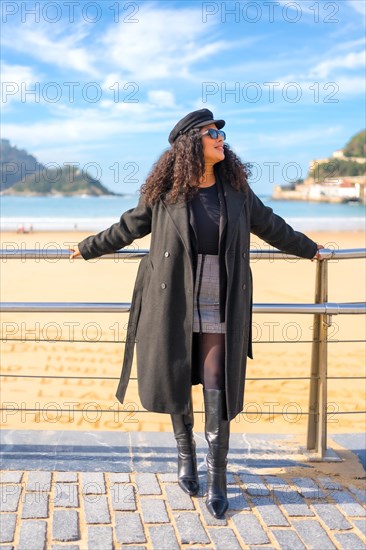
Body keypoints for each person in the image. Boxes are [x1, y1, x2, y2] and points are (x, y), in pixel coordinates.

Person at [70, 109, 323, 518]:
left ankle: (217, 475)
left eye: (221, 133)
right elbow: (129, 226)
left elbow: (272, 225)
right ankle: (185, 456)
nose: (221, 139)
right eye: (212, 133)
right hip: (172, 295)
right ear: (191, 143)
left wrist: (311, 248)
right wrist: (88, 247)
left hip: (221, 294)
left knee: (216, 380)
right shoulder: (165, 192)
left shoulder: (237, 190)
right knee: (174, 371)